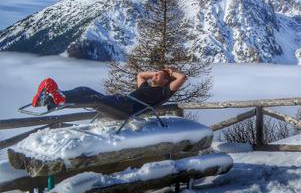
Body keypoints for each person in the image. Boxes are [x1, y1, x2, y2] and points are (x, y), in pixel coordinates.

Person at [31, 69, 187, 118]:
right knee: (85, 89)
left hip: (125, 108)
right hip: (120, 101)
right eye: (155, 74)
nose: (154, 76)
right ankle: (53, 97)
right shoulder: (145, 87)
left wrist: (170, 71)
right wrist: (157, 72)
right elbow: (140, 75)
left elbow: (183, 77)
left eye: (159, 75)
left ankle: (58, 99)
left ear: (166, 81)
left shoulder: (164, 91)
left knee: (94, 99)